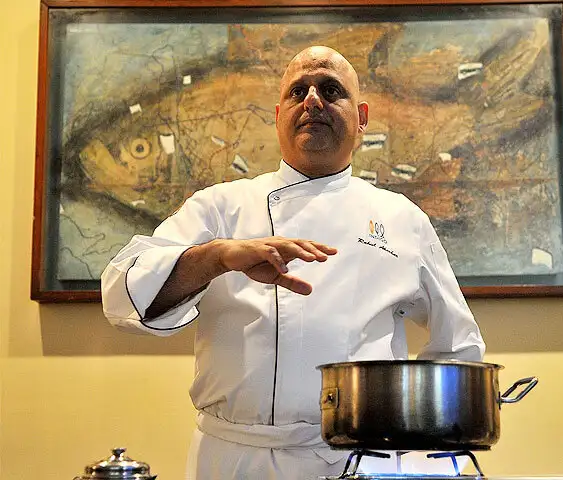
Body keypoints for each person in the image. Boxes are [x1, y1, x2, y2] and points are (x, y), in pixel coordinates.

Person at [101, 45, 485, 480]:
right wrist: (218, 257)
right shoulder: (220, 207)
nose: (313, 101)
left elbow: (459, 349)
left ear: (361, 118)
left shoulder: (402, 219)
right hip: (233, 460)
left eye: (331, 90)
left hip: (362, 461)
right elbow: (122, 294)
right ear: (278, 115)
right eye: (298, 91)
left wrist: (423, 462)